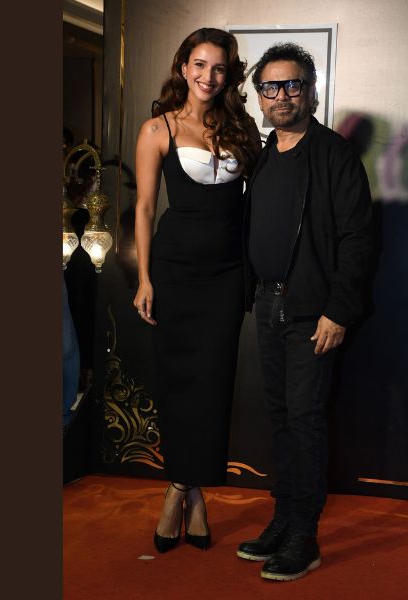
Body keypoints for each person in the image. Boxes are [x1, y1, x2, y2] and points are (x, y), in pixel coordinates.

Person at [236, 43, 374, 581]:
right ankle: (283, 518)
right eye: (270, 87)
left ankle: (304, 536)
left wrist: (338, 311)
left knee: (305, 420)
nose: (282, 95)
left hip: (313, 311)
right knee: (280, 417)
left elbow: (357, 238)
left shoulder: (334, 154)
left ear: (311, 91)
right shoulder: (262, 155)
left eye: (292, 84)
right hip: (267, 303)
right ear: (259, 96)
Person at [133, 27, 261, 554]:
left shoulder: (243, 128)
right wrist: (145, 278)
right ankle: (186, 492)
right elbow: (144, 208)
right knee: (178, 383)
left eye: (219, 68)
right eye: (200, 65)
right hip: (174, 272)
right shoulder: (157, 128)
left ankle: (183, 489)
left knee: (213, 383)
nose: (209, 76)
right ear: (183, 67)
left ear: (229, 75)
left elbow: (258, 203)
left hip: (227, 275)